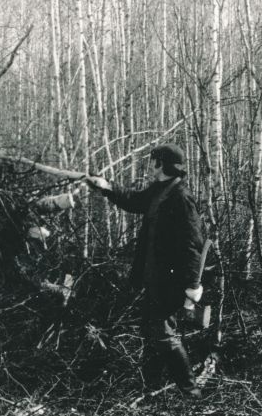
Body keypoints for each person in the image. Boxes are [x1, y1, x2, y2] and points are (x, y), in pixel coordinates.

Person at [85, 143, 205, 398]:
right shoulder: (160, 191)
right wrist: (107, 187)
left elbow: (194, 244)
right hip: (154, 276)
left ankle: (191, 393)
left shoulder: (181, 198)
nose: (150, 167)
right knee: (152, 330)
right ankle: (151, 387)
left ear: (162, 165)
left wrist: (193, 285)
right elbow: (134, 201)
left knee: (162, 332)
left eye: (154, 162)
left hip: (170, 279)